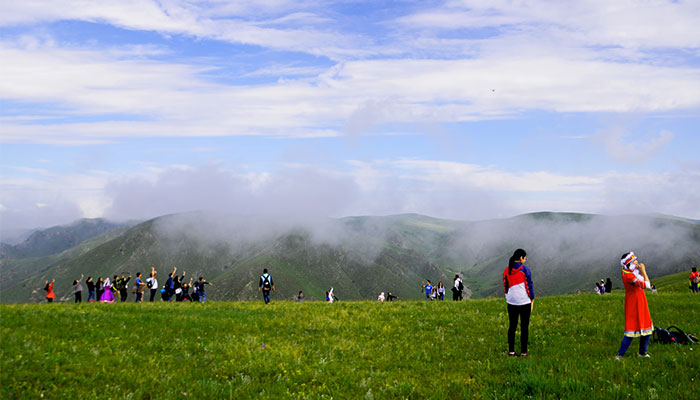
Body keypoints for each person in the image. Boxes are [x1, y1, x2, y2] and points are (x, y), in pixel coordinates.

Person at [616, 251, 654, 359]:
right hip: (634, 303)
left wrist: (639, 271)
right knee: (631, 330)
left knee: (647, 329)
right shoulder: (629, 276)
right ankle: (620, 355)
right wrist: (643, 271)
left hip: (639, 301)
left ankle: (642, 352)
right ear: (629, 263)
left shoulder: (629, 271)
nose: (637, 262)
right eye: (634, 261)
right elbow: (646, 285)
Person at [502, 248, 534, 357]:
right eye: (525, 258)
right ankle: (524, 352)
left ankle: (511, 351)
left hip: (511, 302)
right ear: (521, 258)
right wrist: (532, 299)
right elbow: (529, 287)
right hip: (524, 301)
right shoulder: (525, 270)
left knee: (512, 326)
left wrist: (508, 297)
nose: (525, 260)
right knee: (524, 327)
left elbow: (505, 285)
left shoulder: (507, 270)